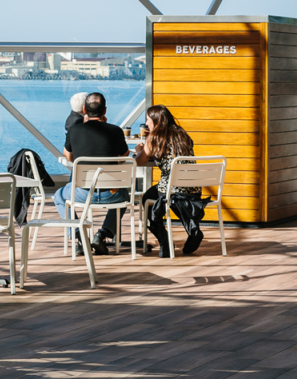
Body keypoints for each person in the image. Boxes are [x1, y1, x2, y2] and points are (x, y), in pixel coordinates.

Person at [54, 92, 129, 255]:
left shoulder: (74, 130)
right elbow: (124, 156)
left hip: (81, 193)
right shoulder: (116, 131)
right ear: (105, 111)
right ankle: (102, 235)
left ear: (84, 110)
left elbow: (68, 156)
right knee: (125, 196)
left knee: (59, 196)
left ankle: (79, 237)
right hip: (112, 194)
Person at [135, 105, 208, 257]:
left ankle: (165, 240)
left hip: (172, 189)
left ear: (156, 121)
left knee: (148, 198)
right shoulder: (182, 134)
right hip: (193, 188)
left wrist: (139, 151)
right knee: (173, 197)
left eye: (148, 120)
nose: (146, 124)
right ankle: (193, 230)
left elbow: (140, 162)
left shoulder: (154, 138)